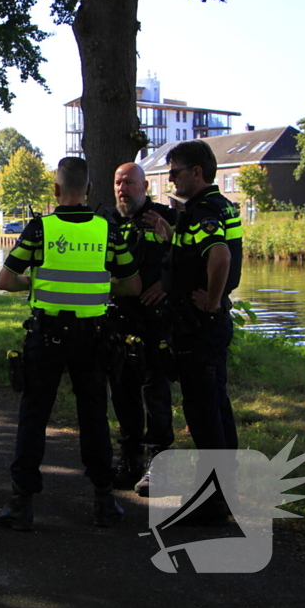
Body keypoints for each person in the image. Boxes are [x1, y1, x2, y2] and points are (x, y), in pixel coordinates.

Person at [0, 157, 141, 530]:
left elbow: (5, 281)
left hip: (47, 336)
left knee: (33, 416)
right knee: (93, 417)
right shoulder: (108, 231)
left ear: (56, 190)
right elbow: (132, 286)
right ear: (90, 190)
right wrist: (96, 286)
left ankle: (21, 504)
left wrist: (36, 284)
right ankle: (104, 502)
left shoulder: (40, 229)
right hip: (92, 338)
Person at [145, 140, 242, 462]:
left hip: (200, 326)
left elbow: (220, 255)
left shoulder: (204, 209)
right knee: (216, 405)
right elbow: (198, 252)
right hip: (206, 325)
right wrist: (170, 236)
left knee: (202, 414)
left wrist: (212, 302)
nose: (171, 179)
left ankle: (213, 502)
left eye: (176, 172)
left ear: (196, 172)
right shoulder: (220, 204)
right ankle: (226, 488)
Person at [105, 163, 177, 496]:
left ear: (145, 186)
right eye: (119, 183)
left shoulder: (163, 216)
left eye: (130, 183)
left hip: (155, 320)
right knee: (122, 391)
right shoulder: (104, 222)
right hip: (119, 320)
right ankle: (129, 459)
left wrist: (167, 282)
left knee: (156, 393)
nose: (123, 188)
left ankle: (159, 465)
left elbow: (194, 259)